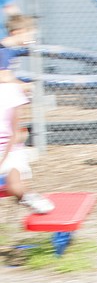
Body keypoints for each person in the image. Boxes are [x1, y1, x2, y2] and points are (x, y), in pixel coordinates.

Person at [0, 60, 53, 214]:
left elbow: (16, 133)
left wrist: (2, 159)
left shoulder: (10, 91)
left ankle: (30, 197)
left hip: (9, 150)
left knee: (14, 185)